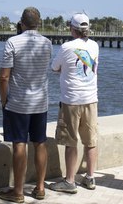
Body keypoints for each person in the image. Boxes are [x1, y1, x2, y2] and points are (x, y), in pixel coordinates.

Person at [0, 7, 52, 203]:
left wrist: (4, 100)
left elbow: (4, 77)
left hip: (19, 103)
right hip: (41, 102)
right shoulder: (47, 43)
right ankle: (40, 187)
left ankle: (18, 192)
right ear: (38, 23)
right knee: (40, 143)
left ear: (21, 22)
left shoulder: (12, 42)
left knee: (19, 143)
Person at [49, 13, 99, 194]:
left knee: (71, 142)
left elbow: (54, 67)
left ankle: (70, 181)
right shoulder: (94, 45)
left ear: (73, 28)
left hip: (71, 100)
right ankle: (90, 177)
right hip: (91, 99)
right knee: (90, 141)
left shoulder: (66, 47)